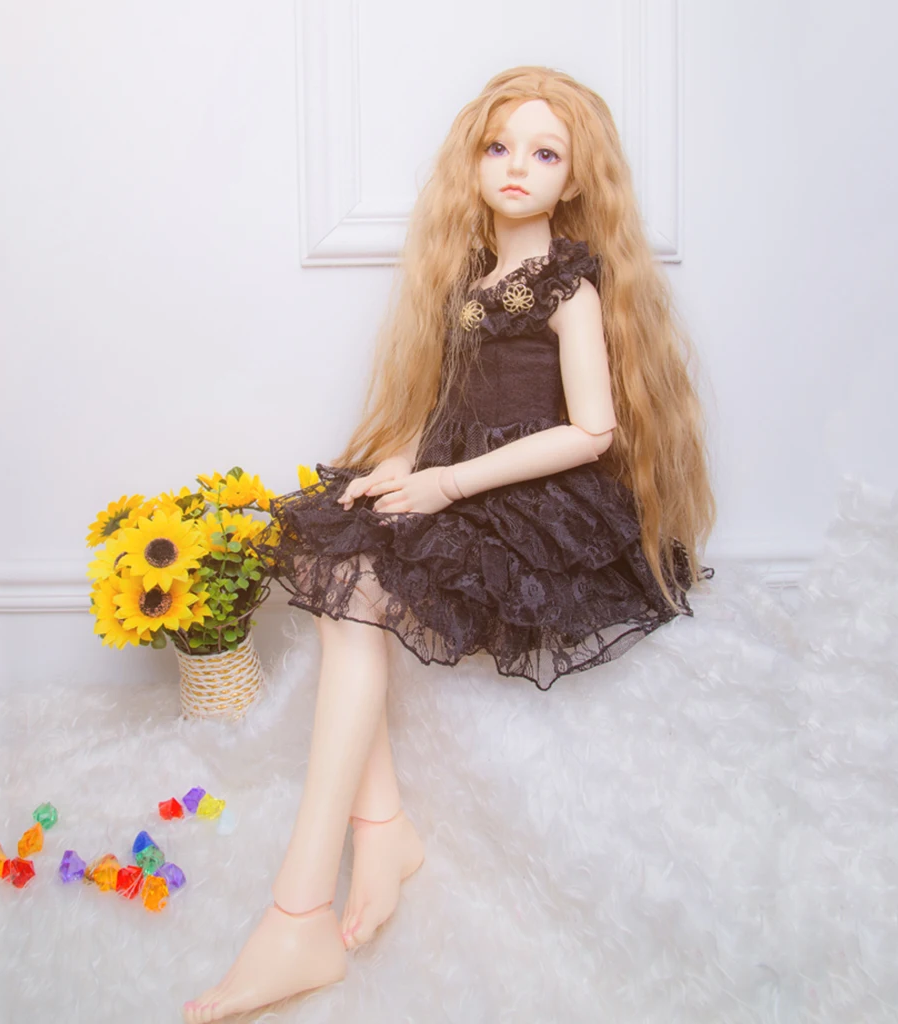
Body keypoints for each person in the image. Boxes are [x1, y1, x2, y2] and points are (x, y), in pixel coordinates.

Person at [182, 64, 716, 1023]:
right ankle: (381, 828)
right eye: (499, 147)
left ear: (577, 179)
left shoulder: (569, 284)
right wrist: (401, 464)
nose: (516, 167)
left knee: (360, 587)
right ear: (472, 160)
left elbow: (592, 430)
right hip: (455, 471)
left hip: (532, 498)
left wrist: (447, 484)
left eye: (545, 154)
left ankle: (299, 913)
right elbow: (447, 405)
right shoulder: (472, 278)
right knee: (338, 558)